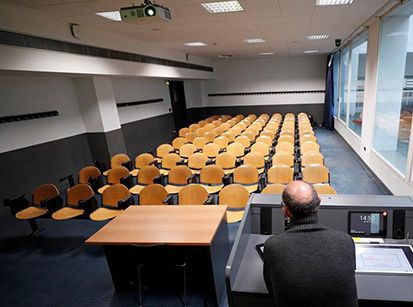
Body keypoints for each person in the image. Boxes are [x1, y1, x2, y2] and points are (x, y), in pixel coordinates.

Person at [263, 181, 358, 307]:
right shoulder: (345, 241)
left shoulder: (272, 245)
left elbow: (272, 289)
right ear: (319, 202)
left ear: (286, 211)